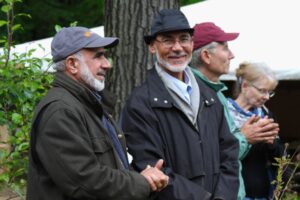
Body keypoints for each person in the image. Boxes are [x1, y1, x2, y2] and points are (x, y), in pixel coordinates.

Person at [26, 26, 169, 200]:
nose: (107, 64)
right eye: (98, 56)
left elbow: (114, 167)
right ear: (72, 64)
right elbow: (86, 182)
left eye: (105, 55)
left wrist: (144, 178)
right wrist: (141, 182)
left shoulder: (89, 104)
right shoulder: (60, 111)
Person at [121, 9, 239, 200]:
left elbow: (229, 154)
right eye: (167, 40)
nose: (177, 47)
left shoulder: (209, 95)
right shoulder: (140, 104)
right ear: (152, 46)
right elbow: (152, 168)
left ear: (192, 44)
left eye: (184, 39)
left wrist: (223, 197)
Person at [190, 22, 279, 200]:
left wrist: (272, 143)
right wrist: (245, 137)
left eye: (270, 92)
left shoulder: (216, 96)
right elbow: (206, 157)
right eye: (225, 48)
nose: (232, 55)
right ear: (206, 56)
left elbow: (277, 158)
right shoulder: (195, 97)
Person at [227, 62, 285, 199]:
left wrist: (272, 143)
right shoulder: (224, 113)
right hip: (235, 192)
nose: (266, 97)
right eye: (262, 90)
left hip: (264, 193)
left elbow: (280, 157)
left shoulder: (266, 115)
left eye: (270, 92)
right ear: (245, 85)